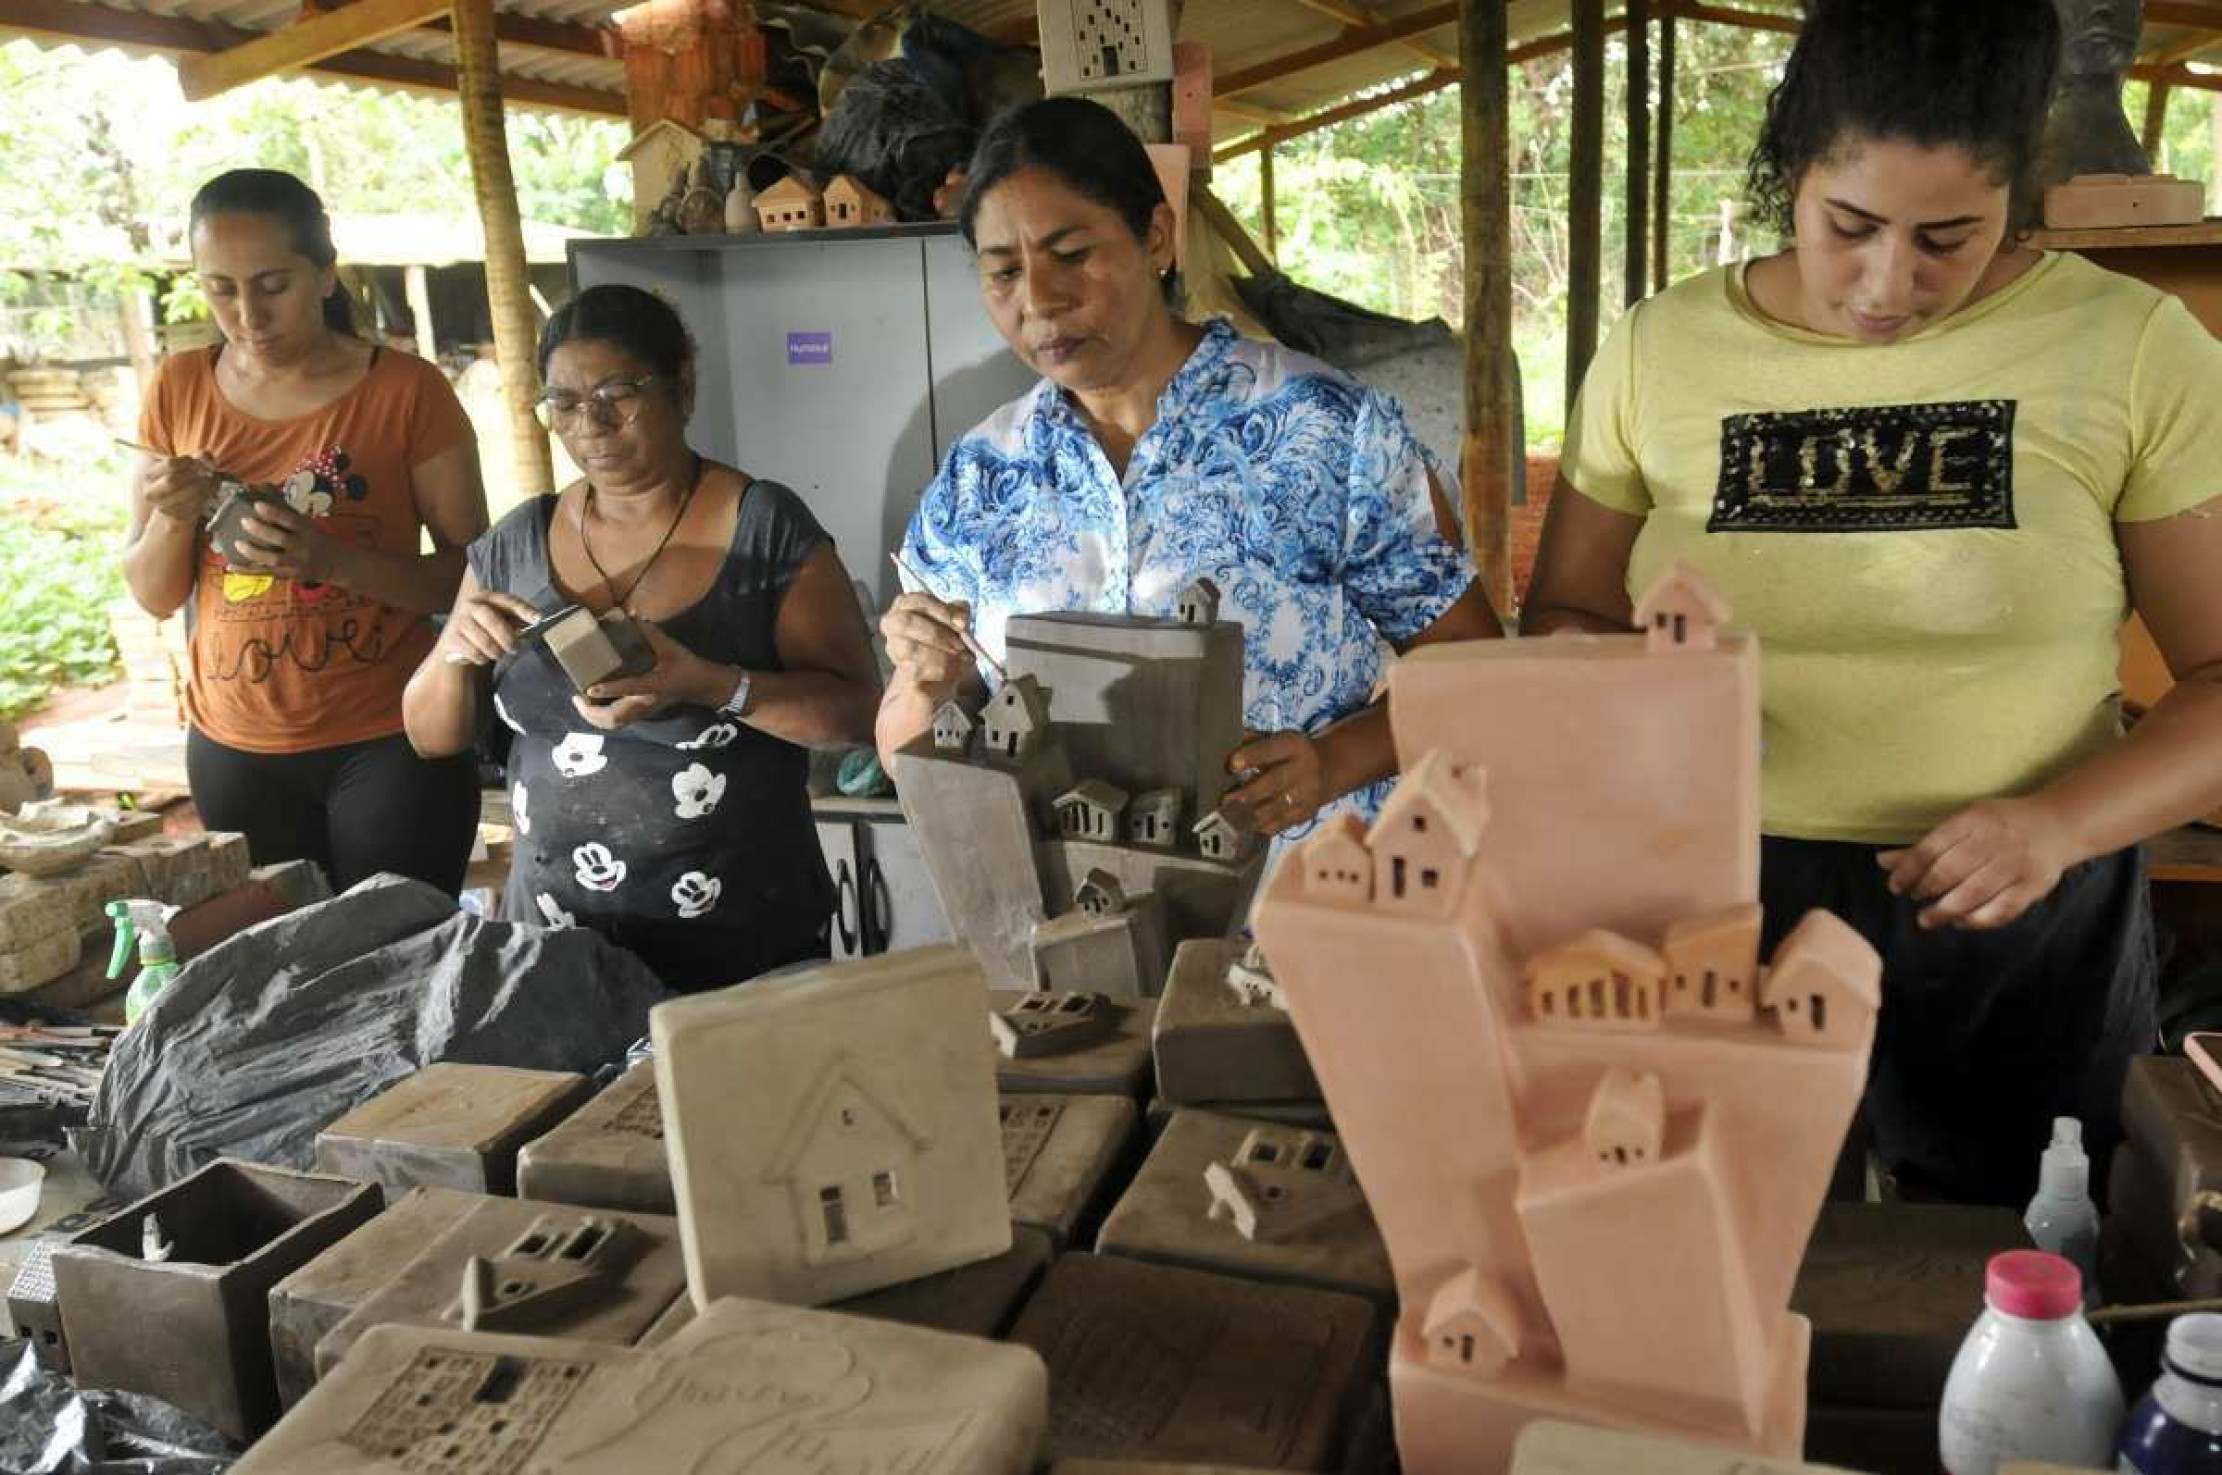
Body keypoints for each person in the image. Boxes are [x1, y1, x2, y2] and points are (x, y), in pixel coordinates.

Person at [1524, 0, 2222, 1205]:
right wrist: (1638, 712)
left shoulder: (2130, 346)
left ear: (2017, 190)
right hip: (1714, 896)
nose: (1887, 285)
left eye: (1949, 237)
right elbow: (1565, 615)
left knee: (2007, 1267)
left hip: (2018, 903)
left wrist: (2054, 824)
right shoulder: (1659, 349)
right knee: (1710, 1244)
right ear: (1788, 171)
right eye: (1847, 226)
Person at [876, 96, 1503, 837]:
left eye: (1071, 254)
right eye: (1003, 272)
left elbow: (1477, 674)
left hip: (1303, 913)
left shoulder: (1323, 430)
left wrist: (1332, 761)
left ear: (1156, 236)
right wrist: (927, 684)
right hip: (1075, 924)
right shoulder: (981, 480)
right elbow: (902, 748)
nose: (1038, 300)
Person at [403, 284, 882, 992]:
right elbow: (428, 734)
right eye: (563, 402)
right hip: (561, 945)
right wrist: (454, 654)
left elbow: (857, 714)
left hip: (739, 942)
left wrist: (707, 684)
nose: (590, 424)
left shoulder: (764, 529)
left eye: (617, 392)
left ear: (681, 386)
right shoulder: (517, 543)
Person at [123, 169, 487, 894]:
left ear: (324, 274)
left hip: (391, 736)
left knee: (399, 962)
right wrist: (171, 512)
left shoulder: (406, 390)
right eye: (220, 287)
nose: (247, 313)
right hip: (233, 743)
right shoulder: (177, 387)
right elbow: (153, 594)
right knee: (282, 972)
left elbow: (475, 574)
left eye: (271, 283)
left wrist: (330, 559)